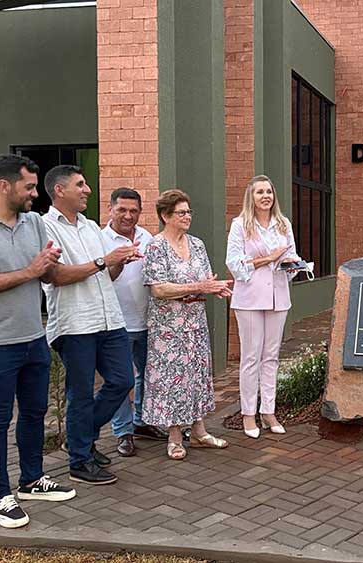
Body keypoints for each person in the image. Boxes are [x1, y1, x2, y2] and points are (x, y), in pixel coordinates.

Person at [0, 154, 75, 529]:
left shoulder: (34, 223)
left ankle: (32, 480)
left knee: (34, 414)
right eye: (29, 187)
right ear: (4, 185)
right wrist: (30, 271)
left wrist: (96, 265)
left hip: (34, 338)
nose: (36, 195)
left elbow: (47, 276)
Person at [41, 165, 138, 486]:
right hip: (75, 323)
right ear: (59, 190)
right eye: (80, 185)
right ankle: (80, 461)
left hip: (109, 319)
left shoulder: (90, 227)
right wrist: (103, 261)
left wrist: (120, 261)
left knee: (123, 380)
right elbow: (56, 277)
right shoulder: (44, 228)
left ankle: (80, 436)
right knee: (80, 395)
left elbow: (106, 275)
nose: (87, 190)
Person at [141, 189, 233, 460]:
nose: (187, 216)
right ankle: (174, 436)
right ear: (165, 216)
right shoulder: (156, 246)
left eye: (189, 211)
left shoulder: (197, 244)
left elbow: (205, 279)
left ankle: (200, 431)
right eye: (181, 212)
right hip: (168, 327)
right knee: (172, 379)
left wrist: (215, 288)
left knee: (197, 375)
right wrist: (199, 286)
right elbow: (158, 290)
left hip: (195, 322)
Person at [226, 175, 300, 438]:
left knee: (271, 357)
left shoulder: (283, 224)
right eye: (260, 192)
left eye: (269, 191)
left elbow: (291, 255)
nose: (266, 196)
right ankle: (248, 414)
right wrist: (266, 259)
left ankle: (268, 411)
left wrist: (293, 264)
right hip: (249, 299)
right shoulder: (240, 225)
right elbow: (233, 263)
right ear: (252, 197)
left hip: (278, 297)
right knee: (250, 357)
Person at [102, 188, 169, 457]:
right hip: (117, 322)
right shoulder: (100, 238)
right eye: (122, 210)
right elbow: (99, 277)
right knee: (121, 379)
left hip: (148, 321)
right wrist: (118, 260)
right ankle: (123, 431)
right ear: (111, 209)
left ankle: (141, 422)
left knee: (146, 375)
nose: (128, 216)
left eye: (133, 210)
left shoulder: (148, 237)